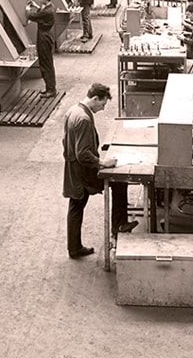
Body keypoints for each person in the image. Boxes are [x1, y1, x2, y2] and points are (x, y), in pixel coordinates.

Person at [62, 83, 137, 259]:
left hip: (73, 169)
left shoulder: (73, 110)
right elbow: (83, 154)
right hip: (84, 172)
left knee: (76, 206)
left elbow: (67, 144)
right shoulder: (84, 120)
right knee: (119, 182)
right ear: (95, 99)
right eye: (102, 104)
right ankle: (118, 226)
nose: (103, 108)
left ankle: (74, 248)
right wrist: (103, 163)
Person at [26, 0, 57, 98]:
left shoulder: (47, 12)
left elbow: (32, 16)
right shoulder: (51, 7)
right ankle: (50, 88)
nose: (38, 0)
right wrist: (36, 6)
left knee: (45, 64)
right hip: (47, 36)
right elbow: (42, 13)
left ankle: (51, 90)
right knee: (47, 63)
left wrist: (27, 9)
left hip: (44, 37)